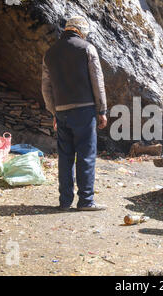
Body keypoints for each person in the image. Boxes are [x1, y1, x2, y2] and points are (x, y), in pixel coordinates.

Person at [42, 15, 108, 211]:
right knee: (86, 155)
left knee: (65, 157)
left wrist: (54, 112)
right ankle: (86, 201)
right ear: (81, 31)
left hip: (62, 112)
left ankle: (64, 201)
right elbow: (98, 82)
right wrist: (102, 109)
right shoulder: (87, 49)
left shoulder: (50, 54)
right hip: (84, 111)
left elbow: (45, 87)